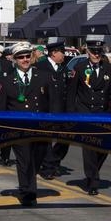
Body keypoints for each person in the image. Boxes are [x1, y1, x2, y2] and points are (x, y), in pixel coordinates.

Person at [0, 42, 58, 207]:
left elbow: (53, 103)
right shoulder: (6, 79)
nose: (24, 59)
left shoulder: (44, 76)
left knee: (36, 159)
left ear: (32, 57)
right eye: (20, 57)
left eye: (27, 56)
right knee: (24, 160)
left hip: (41, 127)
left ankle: (30, 185)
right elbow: (1, 107)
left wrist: (54, 125)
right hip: (18, 129)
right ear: (14, 59)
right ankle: (27, 192)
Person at [67, 40, 111, 196]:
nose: (96, 55)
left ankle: (93, 172)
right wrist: (71, 114)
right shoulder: (80, 67)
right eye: (93, 52)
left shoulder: (108, 68)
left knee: (104, 147)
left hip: (103, 113)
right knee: (89, 147)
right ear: (88, 52)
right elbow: (72, 92)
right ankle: (93, 180)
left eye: (99, 52)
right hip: (85, 112)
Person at [38, 41, 70, 180]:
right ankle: (48, 167)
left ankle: (54, 162)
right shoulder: (41, 67)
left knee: (65, 139)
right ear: (54, 53)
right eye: (62, 52)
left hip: (62, 111)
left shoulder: (63, 68)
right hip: (47, 110)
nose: (64, 55)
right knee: (46, 141)